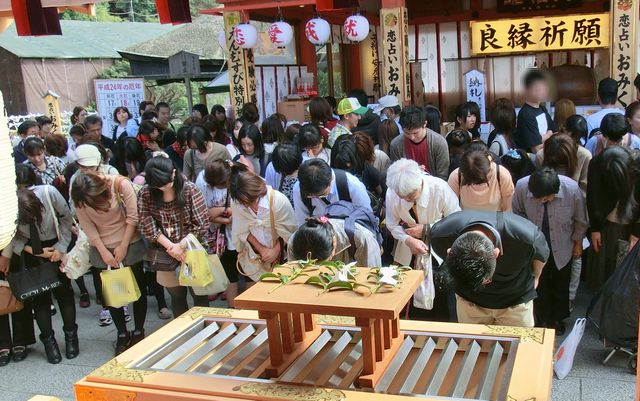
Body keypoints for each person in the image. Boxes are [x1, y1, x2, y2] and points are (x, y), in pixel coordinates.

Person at [430, 209, 549, 327]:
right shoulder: (440, 236)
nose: (485, 285)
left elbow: (541, 257)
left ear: (496, 253)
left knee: (520, 344)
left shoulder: (527, 238)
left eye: (487, 280)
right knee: (471, 344)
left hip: (515, 302)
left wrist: (537, 276)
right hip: (469, 303)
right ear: (449, 251)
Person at [71, 172, 147, 355]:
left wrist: (122, 246)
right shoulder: (80, 196)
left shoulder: (119, 184)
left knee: (138, 291)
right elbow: (87, 226)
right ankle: (122, 333)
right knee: (113, 295)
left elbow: (133, 217)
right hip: (102, 249)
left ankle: (139, 330)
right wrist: (104, 251)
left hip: (129, 243)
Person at [6, 187, 77, 363]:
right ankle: (48, 342)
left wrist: (61, 249)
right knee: (40, 297)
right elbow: (11, 237)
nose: (32, 220)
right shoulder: (9, 209)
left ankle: (71, 337)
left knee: (65, 293)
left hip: (57, 243)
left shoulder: (48, 193)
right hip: (32, 250)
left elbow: (66, 218)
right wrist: (36, 252)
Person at [512, 168, 587, 334]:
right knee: (539, 283)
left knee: (561, 283)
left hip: (563, 243)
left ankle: (557, 319)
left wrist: (577, 243)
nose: (542, 201)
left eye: (546, 198)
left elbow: (580, 219)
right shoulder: (522, 187)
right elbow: (517, 214)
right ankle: (541, 318)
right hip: (535, 244)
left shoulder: (571, 189)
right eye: (539, 199)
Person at [385, 159, 460, 319]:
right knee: (409, 294)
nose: (407, 200)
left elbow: (456, 219)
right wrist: (407, 239)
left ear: (420, 181)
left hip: (439, 247)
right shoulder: (392, 191)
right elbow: (391, 224)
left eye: (411, 195)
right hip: (409, 249)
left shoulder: (439, 188)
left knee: (442, 296)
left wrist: (427, 229)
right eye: (402, 196)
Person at [138, 155, 210, 317]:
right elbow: (146, 224)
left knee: (199, 294)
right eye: (158, 186)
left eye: (167, 184)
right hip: (164, 253)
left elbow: (202, 223)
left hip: (192, 249)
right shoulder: (146, 193)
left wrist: (180, 246)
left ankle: (206, 331)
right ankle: (183, 333)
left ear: (173, 173)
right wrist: (171, 247)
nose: (163, 188)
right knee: (176, 296)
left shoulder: (190, 189)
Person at [230, 163, 297, 282]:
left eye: (253, 200)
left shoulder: (278, 201)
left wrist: (275, 251)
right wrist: (261, 250)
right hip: (254, 255)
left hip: (281, 255)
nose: (251, 205)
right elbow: (241, 230)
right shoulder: (236, 203)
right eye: (245, 203)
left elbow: (289, 232)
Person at [585, 146, 638, 290]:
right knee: (604, 263)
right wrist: (595, 228)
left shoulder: (636, 166)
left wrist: (636, 232)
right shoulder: (596, 164)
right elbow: (593, 196)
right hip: (606, 220)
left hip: (632, 219)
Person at [195, 159, 239, 306]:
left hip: (233, 235)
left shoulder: (236, 180)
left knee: (232, 270)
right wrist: (223, 214)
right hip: (214, 235)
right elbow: (202, 213)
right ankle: (220, 290)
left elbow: (238, 211)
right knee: (219, 264)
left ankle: (232, 304)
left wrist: (218, 214)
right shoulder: (202, 181)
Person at [292, 159, 372, 225]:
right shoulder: (299, 189)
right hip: (322, 236)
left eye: (321, 195)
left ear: (331, 179)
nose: (315, 198)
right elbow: (302, 223)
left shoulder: (351, 185)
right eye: (310, 196)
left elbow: (367, 217)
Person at [289, 216, 381, 267]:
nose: (317, 270)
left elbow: (371, 281)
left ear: (334, 242)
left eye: (322, 264)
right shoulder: (293, 242)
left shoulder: (363, 239)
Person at [389, 106, 450, 180]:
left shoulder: (439, 142)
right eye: (407, 133)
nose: (412, 137)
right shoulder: (396, 144)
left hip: (433, 185)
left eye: (415, 133)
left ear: (425, 124)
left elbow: (442, 176)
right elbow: (396, 173)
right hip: (406, 184)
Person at [448, 149, 514, 212]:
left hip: (495, 221)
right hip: (466, 221)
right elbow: (451, 209)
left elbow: (508, 209)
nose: (478, 184)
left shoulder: (502, 175)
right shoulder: (456, 176)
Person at [514, 69, 555, 153]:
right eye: (537, 88)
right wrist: (549, 135)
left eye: (543, 87)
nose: (541, 91)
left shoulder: (542, 108)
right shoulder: (526, 114)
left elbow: (554, 132)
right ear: (527, 90)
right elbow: (536, 149)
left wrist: (543, 137)